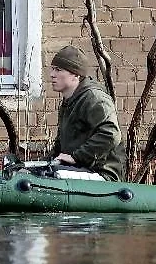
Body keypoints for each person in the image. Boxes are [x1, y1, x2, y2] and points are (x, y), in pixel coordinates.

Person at [48, 45, 127, 181]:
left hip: (103, 174)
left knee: (54, 176)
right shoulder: (70, 101)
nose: (52, 74)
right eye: (52, 69)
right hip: (80, 169)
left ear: (76, 75)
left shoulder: (94, 98)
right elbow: (60, 148)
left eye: (58, 70)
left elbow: (111, 134)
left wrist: (76, 157)